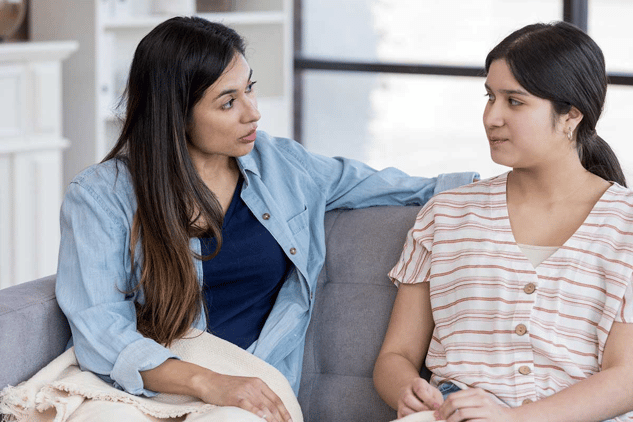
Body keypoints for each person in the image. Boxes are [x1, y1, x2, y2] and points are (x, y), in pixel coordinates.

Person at [53, 16, 477, 422]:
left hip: (251, 387)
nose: (253, 112)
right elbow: (100, 326)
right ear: (176, 114)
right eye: (228, 102)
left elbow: (396, 186)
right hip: (143, 383)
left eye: (249, 89)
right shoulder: (101, 196)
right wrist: (208, 382)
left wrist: (503, 187)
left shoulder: (283, 167)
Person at [373, 21, 633, 422]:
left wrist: (514, 419)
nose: (492, 117)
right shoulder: (445, 216)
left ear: (571, 116)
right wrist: (407, 390)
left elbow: (625, 379)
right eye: (489, 97)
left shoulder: (626, 227)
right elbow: (396, 356)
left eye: (514, 101)